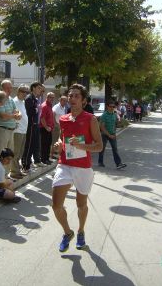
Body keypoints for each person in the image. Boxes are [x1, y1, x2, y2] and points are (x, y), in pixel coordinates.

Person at [52, 84, 103, 252]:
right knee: (56, 205)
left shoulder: (90, 119)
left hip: (83, 167)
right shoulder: (63, 119)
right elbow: (62, 138)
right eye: (70, 95)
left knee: (81, 204)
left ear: (83, 101)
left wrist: (82, 146)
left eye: (76, 96)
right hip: (65, 164)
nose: (72, 98)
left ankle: (81, 231)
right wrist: (59, 144)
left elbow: (99, 146)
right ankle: (68, 233)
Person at [0, 79, 21, 160]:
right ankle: (0, 172)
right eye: (7, 88)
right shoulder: (0, 99)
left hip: (11, 131)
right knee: (1, 155)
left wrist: (19, 114)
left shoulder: (10, 99)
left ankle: (6, 172)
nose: (10, 90)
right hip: (3, 130)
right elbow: (3, 116)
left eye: (10, 88)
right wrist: (14, 116)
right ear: (2, 88)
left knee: (9, 155)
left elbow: (16, 110)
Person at [98, 101, 127, 169]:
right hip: (104, 134)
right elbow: (102, 127)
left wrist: (115, 132)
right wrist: (109, 135)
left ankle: (118, 164)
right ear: (107, 107)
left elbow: (115, 124)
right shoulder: (104, 115)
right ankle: (100, 162)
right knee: (102, 149)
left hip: (112, 134)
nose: (112, 108)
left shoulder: (114, 114)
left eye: (113, 107)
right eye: (110, 106)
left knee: (115, 149)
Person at [22, 82, 44, 172]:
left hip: (35, 125)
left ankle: (29, 164)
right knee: (29, 145)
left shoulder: (35, 98)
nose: (40, 90)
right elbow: (29, 112)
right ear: (33, 88)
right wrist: (37, 109)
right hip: (31, 125)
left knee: (34, 145)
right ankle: (25, 166)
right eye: (39, 88)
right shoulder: (29, 98)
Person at [10, 85, 29, 179]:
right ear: (18, 91)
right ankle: (14, 171)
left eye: (27, 92)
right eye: (23, 91)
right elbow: (13, 114)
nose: (25, 93)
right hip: (17, 131)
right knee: (16, 152)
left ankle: (17, 170)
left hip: (23, 130)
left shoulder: (23, 102)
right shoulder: (14, 101)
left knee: (20, 152)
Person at [40, 92, 55, 165]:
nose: (52, 99)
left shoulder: (50, 106)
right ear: (47, 97)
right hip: (44, 129)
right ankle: (43, 159)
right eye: (51, 97)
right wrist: (46, 127)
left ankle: (46, 158)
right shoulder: (45, 106)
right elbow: (42, 118)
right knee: (44, 144)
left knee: (48, 144)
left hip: (49, 129)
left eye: (53, 97)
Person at [51, 95, 68, 159]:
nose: (65, 102)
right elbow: (53, 114)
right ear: (60, 100)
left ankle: (55, 154)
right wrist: (55, 123)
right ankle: (51, 155)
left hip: (60, 127)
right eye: (64, 101)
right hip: (56, 127)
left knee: (58, 140)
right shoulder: (57, 107)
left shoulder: (63, 107)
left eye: (66, 101)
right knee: (54, 140)